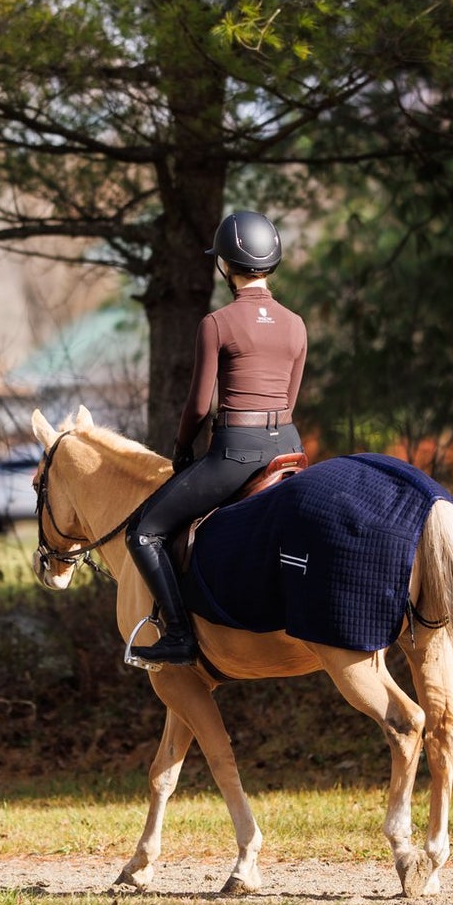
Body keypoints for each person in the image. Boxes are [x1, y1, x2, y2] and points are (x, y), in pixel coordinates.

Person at [124, 210, 307, 668]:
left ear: (225, 265)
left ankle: (180, 636)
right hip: (288, 448)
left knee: (144, 532)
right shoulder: (297, 324)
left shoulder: (217, 323)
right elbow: (290, 398)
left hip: (236, 454)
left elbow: (199, 408)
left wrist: (183, 449)